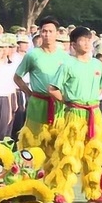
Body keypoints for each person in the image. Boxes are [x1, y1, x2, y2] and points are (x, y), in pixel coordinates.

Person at [47, 26, 102, 203]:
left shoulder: (97, 64)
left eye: (89, 39)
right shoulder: (67, 64)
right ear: (73, 44)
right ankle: (61, 191)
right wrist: (68, 101)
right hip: (75, 113)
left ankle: (94, 191)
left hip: (94, 113)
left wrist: (91, 100)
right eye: (82, 40)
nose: (87, 43)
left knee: (94, 153)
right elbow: (52, 89)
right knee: (69, 153)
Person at [14, 17, 70, 160]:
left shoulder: (64, 57)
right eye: (44, 31)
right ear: (39, 33)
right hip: (38, 103)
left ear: (57, 34)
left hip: (58, 104)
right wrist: (29, 93)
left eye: (51, 31)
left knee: (55, 140)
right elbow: (17, 77)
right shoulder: (32, 55)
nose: (47, 34)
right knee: (34, 139)